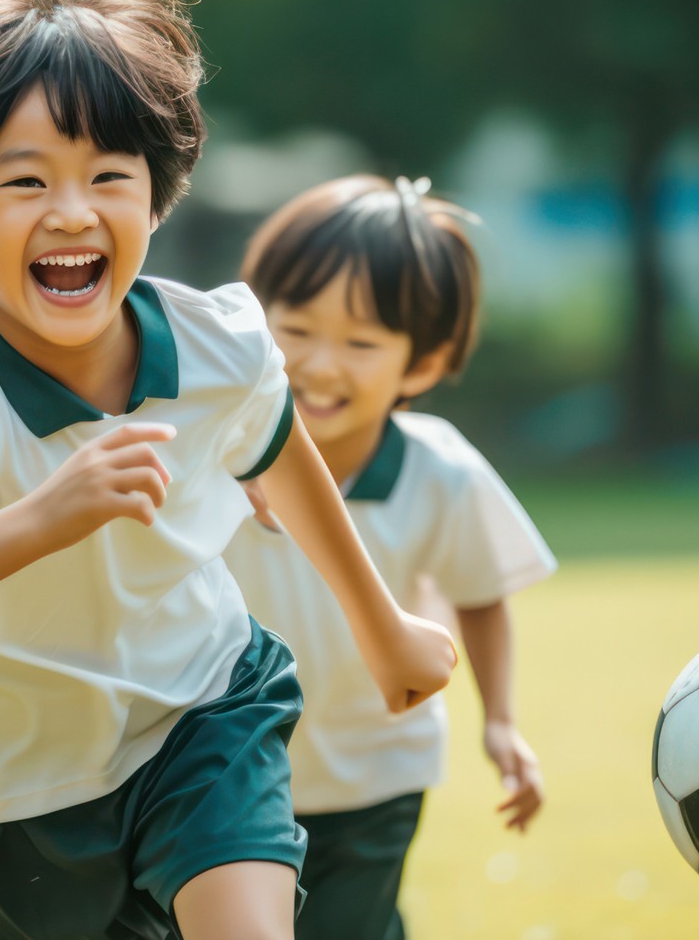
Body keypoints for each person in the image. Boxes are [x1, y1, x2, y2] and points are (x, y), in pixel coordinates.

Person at [0, 0, 458, 940]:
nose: (71, 211)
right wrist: (41, 519)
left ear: (155, 193)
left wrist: (379, 623)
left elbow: (273, 443)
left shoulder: (214, 340)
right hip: (3, 785)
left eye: (107, 174)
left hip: (200, 706)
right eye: (23, 182)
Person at [228, 175, 557, 940]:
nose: (317, 364)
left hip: (378, 770)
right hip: (223, 768)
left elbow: (480, 592)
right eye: (296, 328)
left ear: (423, 363)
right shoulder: (215, 448)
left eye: (362, 342)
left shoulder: (440, 472)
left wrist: (501, 721)